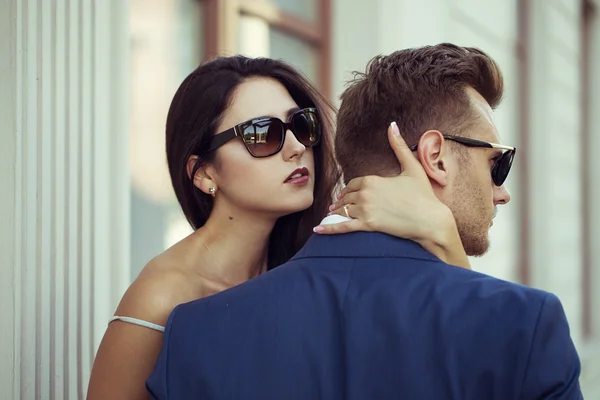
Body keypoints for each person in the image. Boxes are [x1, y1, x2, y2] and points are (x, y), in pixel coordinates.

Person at [146, 44, 582, 400]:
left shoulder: (196, 332)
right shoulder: (523, 324)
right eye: (497, 163)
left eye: (303, 125)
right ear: (435, 158)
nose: (502, 191)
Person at [86, 55, 471, 400]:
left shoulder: (314, 262)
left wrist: (439, 228)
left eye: (301, 126)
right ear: (203, 173)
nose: (295, 147)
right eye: (262, 134)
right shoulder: (160, 298)